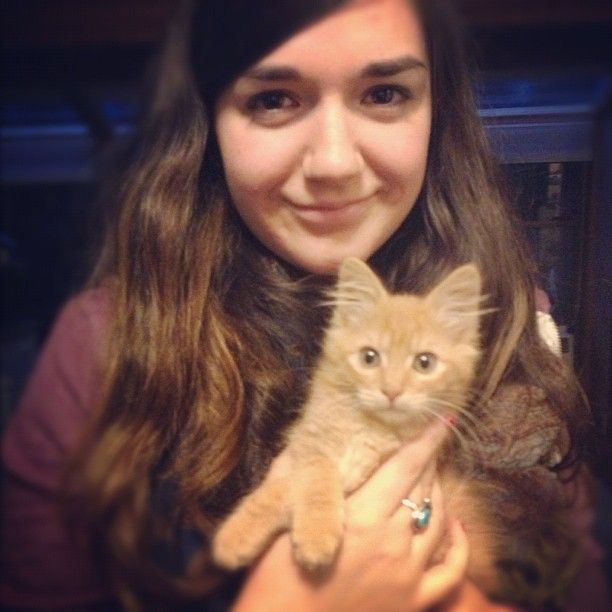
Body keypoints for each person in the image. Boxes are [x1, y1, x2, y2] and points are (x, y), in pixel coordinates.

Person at [2, 0, 607, 610]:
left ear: (437, 112)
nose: (334, 165)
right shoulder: (104, 343)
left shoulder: (511, 314)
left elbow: (578, 578)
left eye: (384, 94)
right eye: (273, 100)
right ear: (208, 123)